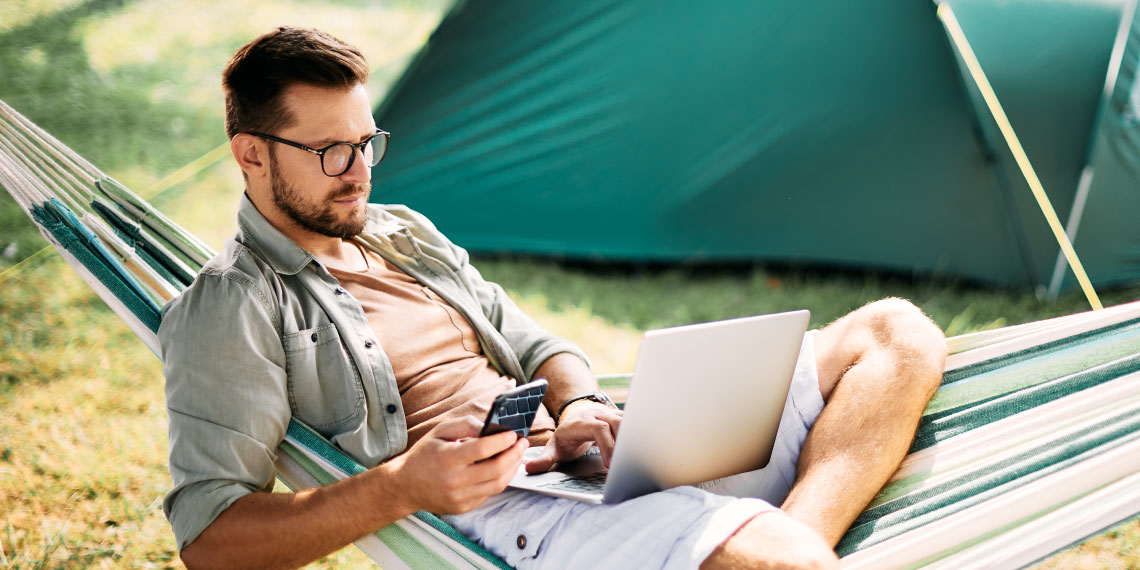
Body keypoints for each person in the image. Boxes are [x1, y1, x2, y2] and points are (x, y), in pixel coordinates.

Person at [158, 26, 947, 570]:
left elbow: (540, 349)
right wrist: (404, 487)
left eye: (367, 143)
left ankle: (784, 534)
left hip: (593, 457)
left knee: (895, 335)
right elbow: (211, 539)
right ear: (251, 155)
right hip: (516, 509)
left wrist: (577, 407)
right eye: (330, 150)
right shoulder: (230, 308)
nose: (359, 170)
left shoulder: (400, 232)